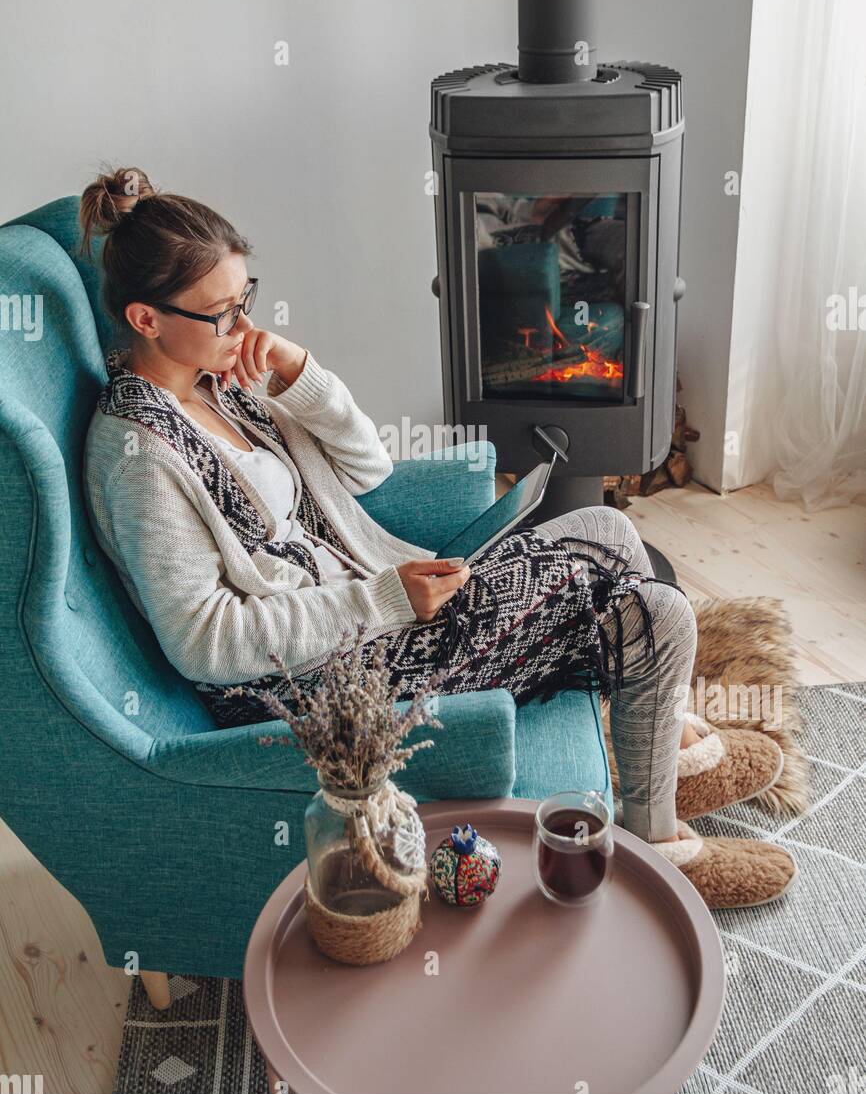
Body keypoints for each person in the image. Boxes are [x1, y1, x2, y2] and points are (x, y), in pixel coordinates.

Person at [81, 166, 797, 911]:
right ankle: (659, 842)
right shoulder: (138, 456)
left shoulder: (221, 382)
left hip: (375, 624)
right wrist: (387, 598)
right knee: (656, 611)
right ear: (146, 319)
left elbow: (369, 466)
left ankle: (667, 748)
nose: (243, 328)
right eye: (222, 313)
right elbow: (203, 639)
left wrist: (298, 374)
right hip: (324, 682)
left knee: (611, 530)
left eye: (245, 300)